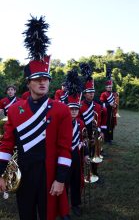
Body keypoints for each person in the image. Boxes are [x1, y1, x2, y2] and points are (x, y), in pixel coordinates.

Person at [0, 16, 72, 220]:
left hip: (49, 175)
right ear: (28, 84)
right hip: (24, 174)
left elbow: (65, 149)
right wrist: (0, 172)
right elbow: (6, 145)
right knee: (26, 215)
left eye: (46, 79)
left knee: (48, 215)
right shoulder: (15, 111)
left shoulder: (61, 110)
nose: (43, 83)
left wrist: (60, 179)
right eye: (37, 80)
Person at [64, 69, 89, 217]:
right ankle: (63, 207)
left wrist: (85, 154)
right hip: (64, 155)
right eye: (71, 109)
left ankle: (76, 204)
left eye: (75, 109)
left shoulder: (80, 123)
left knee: (76, 180)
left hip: (77, 155)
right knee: (64, 181)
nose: (73, 112)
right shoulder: (62, 123)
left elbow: (84, 140)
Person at [79, 63, 104, 182]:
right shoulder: (80, 106)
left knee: (95, 154)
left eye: (93, 92)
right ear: (84, 93)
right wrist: (84, 136)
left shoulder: (97, 106)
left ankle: (94, 173)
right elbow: (78, 121)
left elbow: (99, 120)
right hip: (84, 135)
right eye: (89, 92)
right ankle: (84, 174)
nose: (91, 94)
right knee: (85, 155)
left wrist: (100, 131)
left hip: (94, 134)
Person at [100, 79, 118, 144]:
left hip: (112, 112)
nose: (110, 88)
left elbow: (115, 102)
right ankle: (106, 139)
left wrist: (115, 105)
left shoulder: (113, 94)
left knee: (111, 125)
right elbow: (101, 104)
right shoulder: (103, 94)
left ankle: (110, 138)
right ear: (106, 87)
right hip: (106, 112)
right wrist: (109, 104)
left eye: (111, 87)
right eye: (109, 87)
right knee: (106, 125)